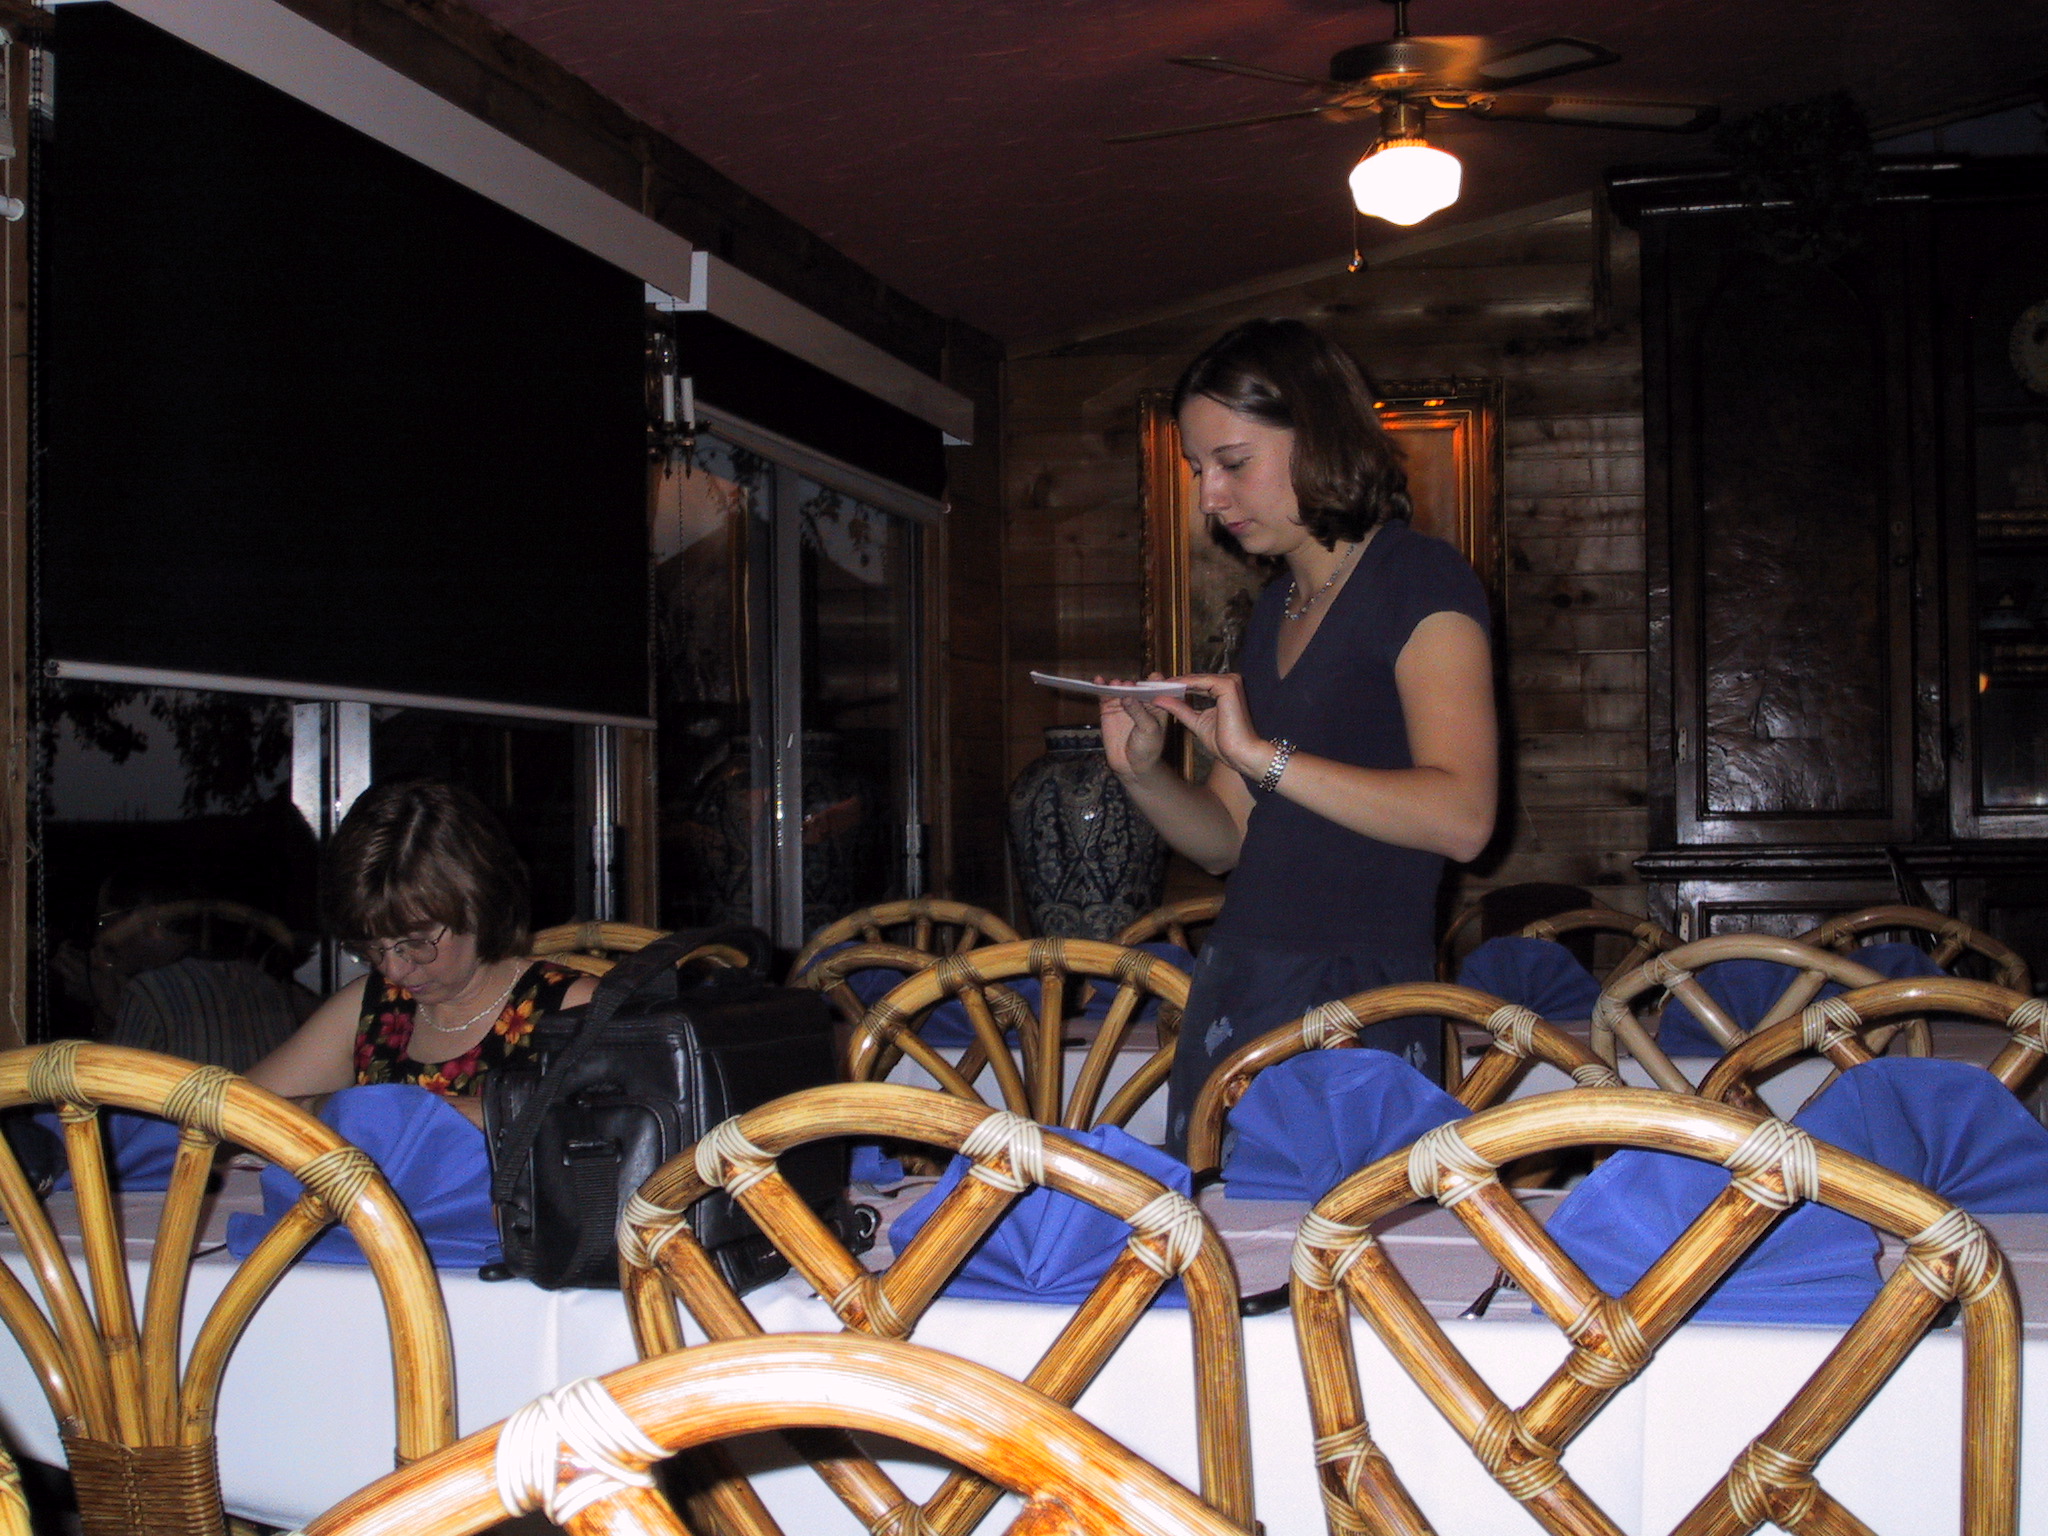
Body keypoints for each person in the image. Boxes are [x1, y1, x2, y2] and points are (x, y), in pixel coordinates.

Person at [1099, 319, 1498, 1153]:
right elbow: (1227, 841)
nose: (1210, 498)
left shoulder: (1419, 578)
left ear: (1318, 438)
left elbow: (1464, 818)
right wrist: (1143, 771)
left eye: (1233, 463)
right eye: (1199, 470)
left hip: (1358, 1004)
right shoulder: (1277, 607)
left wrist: (1261, 757)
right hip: (1239, 983)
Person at [249, 780, 595, 1125]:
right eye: (371, 947)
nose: (393, 969)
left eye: (415, 942)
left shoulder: (575, 1008)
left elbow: (610, 1139)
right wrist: (327, 1106)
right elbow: (232, 1112)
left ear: (479, 904)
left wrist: (497, 1117)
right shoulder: (376, 1007)